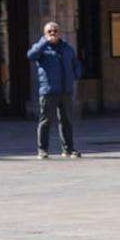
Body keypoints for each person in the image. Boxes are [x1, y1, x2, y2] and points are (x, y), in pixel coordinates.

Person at [26, 21, 82, 159]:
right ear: (45, 34)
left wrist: (75, 75)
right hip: (49, 90)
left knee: (67, 121)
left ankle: (68, 149)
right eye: (49, 31)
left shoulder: (67, 48)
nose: (53, 33)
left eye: (55, 31)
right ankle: (42, 150)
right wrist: (45, 42)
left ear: (60, 33)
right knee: (45, 121)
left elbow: (76, 64)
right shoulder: (41, 48)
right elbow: (31, 55)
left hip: (65, 90)